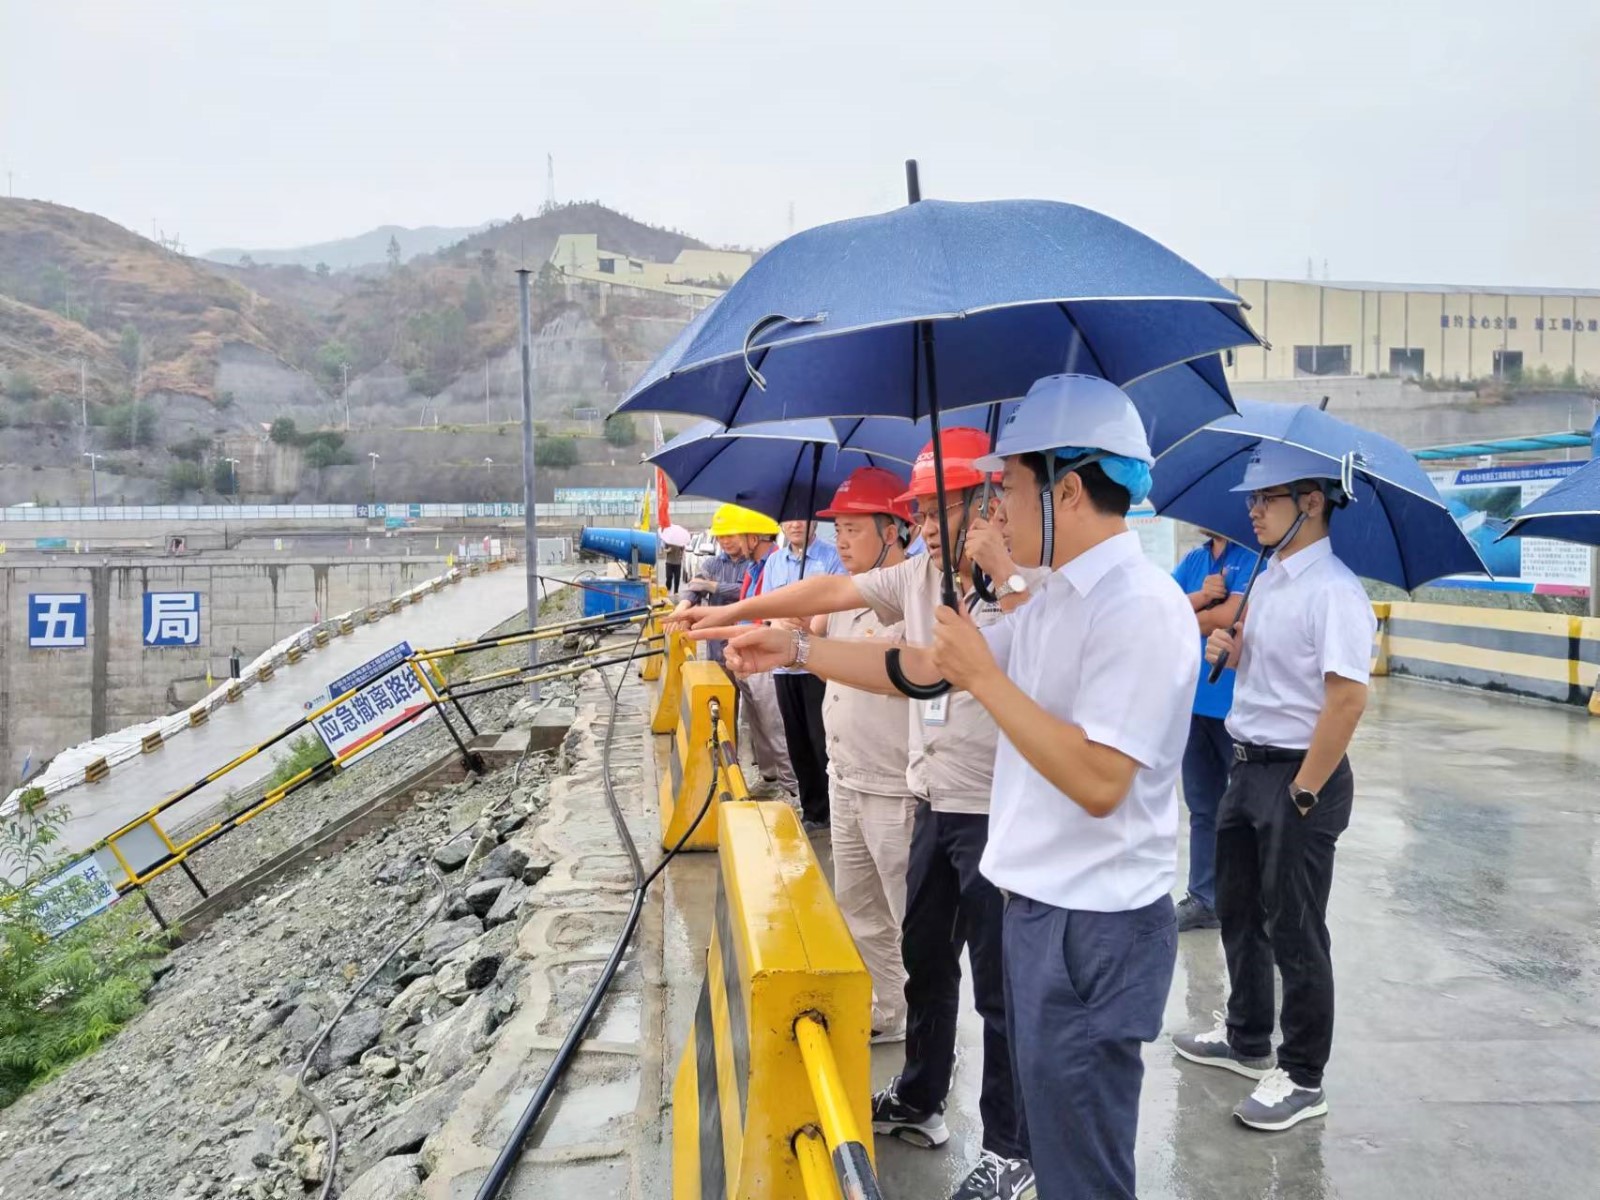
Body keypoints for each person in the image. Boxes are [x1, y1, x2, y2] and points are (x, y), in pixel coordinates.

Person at [674, 427, 1044, 1200]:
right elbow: (826, 595)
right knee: (924, 960)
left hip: (999, 808)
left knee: (1000, 987)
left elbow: (925, 672)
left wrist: (1004, 578)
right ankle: (920, 1093)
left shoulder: (1026, 589)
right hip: (933, 795)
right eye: (923, 513)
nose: (930, 527)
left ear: (990, 504)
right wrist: (734, 616)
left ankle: (1013, 1148)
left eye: (944, 510)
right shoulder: (920, 576)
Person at [1172, 442, 1376, 1133]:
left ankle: (1304, 1075)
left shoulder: (1334, 591)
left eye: (1267, 498)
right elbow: (1270, 666)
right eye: (1253, 499)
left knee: (1295, 927)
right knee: (1237, 908)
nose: (1253, 511)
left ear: (1311, 503)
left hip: (1299, 774)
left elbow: (1346, 699)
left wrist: (1306, 792)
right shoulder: (1268, 578)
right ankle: (1246, 1036)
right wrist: (1230, 650)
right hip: (1249, 765)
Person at [810, 466, 919, 1041]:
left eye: (853, 529)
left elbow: (907, 678)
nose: (842, 542)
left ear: (892, 530)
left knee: (910, 914)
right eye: (838, 531)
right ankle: (891, 1007)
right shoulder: (843, 595)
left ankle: (929, 1026)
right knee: (858, 906)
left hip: (894, 784)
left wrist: (803, 647)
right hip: (845, 774)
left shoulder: (915, 597)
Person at [670, 504, 795, 796]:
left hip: (760, 655)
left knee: (772, 724)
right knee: (746, 720)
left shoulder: (772, 564)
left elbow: (750, 603)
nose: (727, 541)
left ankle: (791, 789)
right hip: (729, 652)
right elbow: (697, 589)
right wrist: (685, 608)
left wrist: (713, 590)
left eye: (732, 535)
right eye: (722, 536)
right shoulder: (735, 565)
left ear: (751, 536)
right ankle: (761, 777)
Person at [1170, 529, 1256, 931]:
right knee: (1202, 807)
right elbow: (1164, 609)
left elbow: (1232, 615)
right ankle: (1204, 897)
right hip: (1193, 703)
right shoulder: (1195, 560)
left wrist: (1192, 617)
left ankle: (1250, 901)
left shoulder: (1252, 557)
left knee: (1247, 811)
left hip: (1235, 708)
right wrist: (1203, 597)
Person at [758, 518, 847, 830]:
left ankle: (836, 810)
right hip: (784, 665)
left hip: (817, 662)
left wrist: (808, 624)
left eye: (802, 518)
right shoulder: (774, 562)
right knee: (796, 739)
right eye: (789, 519)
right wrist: (778, 622)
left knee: (822, 737)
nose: (796, 524)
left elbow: (835, 605)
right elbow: (767, 608)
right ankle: (813, 811)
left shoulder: (832, 557)